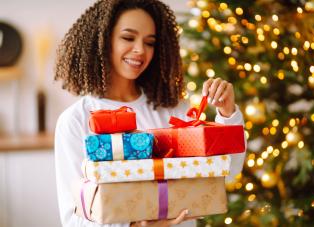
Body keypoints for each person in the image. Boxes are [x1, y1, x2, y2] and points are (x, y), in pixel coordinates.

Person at [54, 0, 245, 227]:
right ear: (103, 40)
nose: (140, 50)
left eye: (150, 42)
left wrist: (227, 113)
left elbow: (227, 172)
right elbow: (73, 218)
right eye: (128, 37)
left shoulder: (174, 110)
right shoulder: (76, 120)